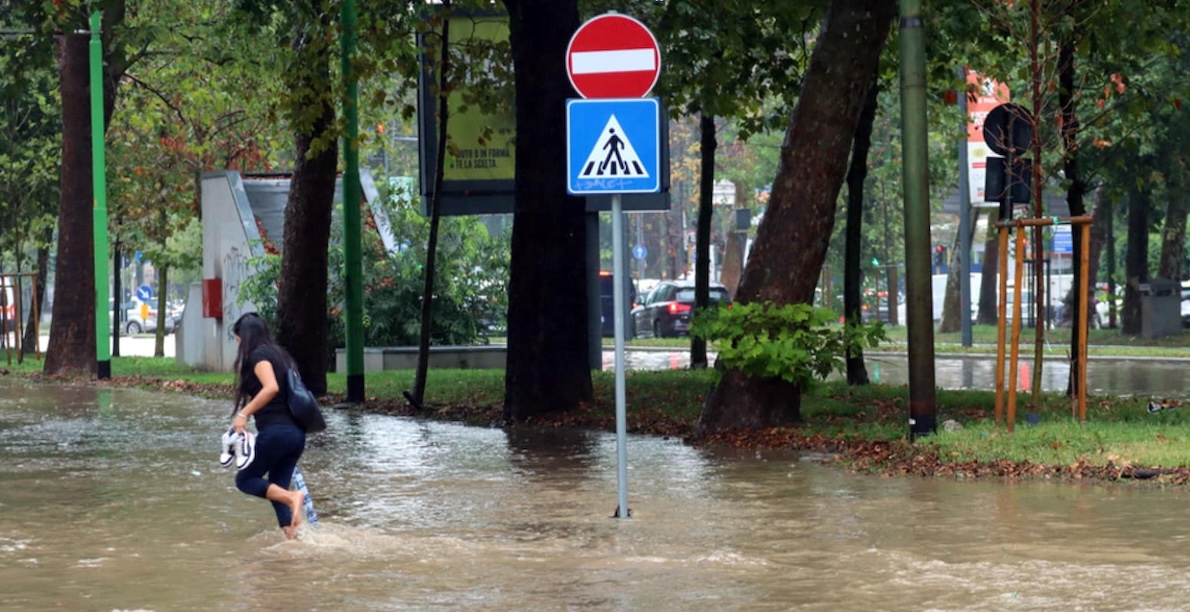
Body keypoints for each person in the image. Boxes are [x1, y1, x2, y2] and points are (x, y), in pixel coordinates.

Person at [230, 312, 306, 539]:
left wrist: (243, 413)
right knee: (276, 488)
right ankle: (293, 539)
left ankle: (293, 498)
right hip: (296, 435)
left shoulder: (259, 356)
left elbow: (271, 387)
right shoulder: (281, 356)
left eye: (238, 340)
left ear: (245, 337)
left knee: (244, 480)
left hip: (277, 432)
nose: (238, 345)